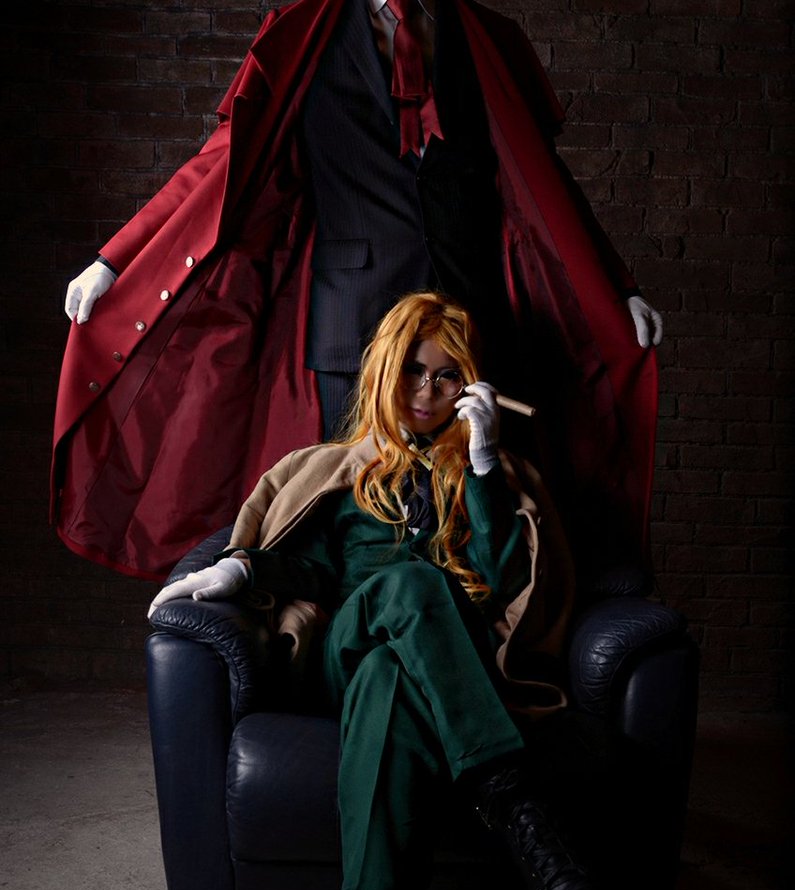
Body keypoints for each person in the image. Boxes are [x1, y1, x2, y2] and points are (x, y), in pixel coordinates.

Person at [55, 0, 662, 583]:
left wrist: (618, 288)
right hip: (351, 322)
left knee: (469, 496)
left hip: (468, 321)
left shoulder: (491, 39)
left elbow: (545, 181)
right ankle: (349, 635)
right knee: (349, 500)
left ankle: (453, 631)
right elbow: (220, 164)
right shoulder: (300, 33)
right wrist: (117, 261)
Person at [148, 292, 594, 890]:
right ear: (386, 372)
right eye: (414, 371)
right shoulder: (336, 472)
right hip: (342, 654)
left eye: (447, 376)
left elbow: (503, 587)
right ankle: (515, 806)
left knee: (395, 674)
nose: (427, 392)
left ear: (468, 384)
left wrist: (481, 464)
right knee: (409, 589)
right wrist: (238, 569)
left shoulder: (491, 473)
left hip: (430, 673)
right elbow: (307, 568)